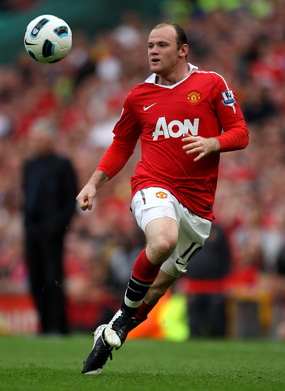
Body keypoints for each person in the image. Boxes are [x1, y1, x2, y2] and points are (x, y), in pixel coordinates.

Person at [76, 21, 249, 374]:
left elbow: (241, 133)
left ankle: (112, 330)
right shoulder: (138, 96)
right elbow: (122, 145)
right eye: (150, 45)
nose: (153, 51)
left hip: (199, 206)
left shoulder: (211, 84)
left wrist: (213, 142)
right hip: (153, 186)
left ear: (183, 50)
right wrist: (94, 183)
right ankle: (122, 318)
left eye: (162, 45)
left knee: (154, 293)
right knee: (163, 238)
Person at [22, 119, 78, 335]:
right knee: (35, 277)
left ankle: (58, 326)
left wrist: (58, 226)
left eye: (38, 140)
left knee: (52, 277)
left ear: (49, 140)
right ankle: (44, 325)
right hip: (32, 229)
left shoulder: (62, 164)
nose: (33, 143)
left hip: (51, 231)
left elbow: (70, 199)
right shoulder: (29, 165)